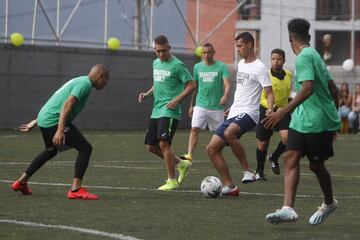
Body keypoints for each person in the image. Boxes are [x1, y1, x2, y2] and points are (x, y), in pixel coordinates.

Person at [264, 18, 340, 225]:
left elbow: (308, 88)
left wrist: (282, 112)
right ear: (308, 36)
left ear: (290, 39)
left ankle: (329, 202)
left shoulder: (303, 57)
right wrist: (336, 115)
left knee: (316, 165)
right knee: (290, 156)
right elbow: (334, 89)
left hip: (318, 121)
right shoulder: (314, 54)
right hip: (303, 119)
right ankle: (288, 208)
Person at [11, 64, 110, 200]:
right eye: (106, 80)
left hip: (45, 119)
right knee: (85, 148)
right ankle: (75, 190)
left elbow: (56, 100)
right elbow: (67, 104)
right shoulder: (85, 84)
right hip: (54, 121)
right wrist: (59, 130)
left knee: (50, 150)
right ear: (100, 76)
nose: (106, 84)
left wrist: (37, 120)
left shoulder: (79, 80)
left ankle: (21, 182)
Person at [206, 32, 274, 196]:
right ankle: (230, 186)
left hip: (250, 113)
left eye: (240, 46)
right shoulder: (241, 64)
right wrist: (233, 107)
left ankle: (248, 171)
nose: (237, 50)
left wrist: (271, 109)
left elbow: (270, 93)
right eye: (236, 46)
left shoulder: (260, 68)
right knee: (211, 149)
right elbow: (242, 90)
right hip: (236, 112)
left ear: (250, 44)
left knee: (230, 133)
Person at [138, 35, 196, 191]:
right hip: (156, 110)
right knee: (150, 146)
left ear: (169, 48)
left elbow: (191, 85)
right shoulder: (155, 63)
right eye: (158, 51)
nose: (161, 54)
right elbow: (158, 84)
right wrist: (147, 94)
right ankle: (181, 163)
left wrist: (177, 100)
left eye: (164, 51)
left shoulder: (177, 65)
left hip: (170, 110)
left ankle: (172, 180)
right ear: (154, 50)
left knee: (164, 143)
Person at [180, 42, 231, 162]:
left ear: (213, 53)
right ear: (201, 54)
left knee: (220, 134)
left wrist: (225, 95)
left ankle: (218, 154)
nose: (206, 55)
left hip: (217, 107)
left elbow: (227, 83)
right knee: (194, 129)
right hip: (200, 105)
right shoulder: (197, 67)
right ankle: (189, 155)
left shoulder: (222, 66)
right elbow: (194, 87)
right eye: (204, 53)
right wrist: (191, 105)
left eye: (209, 52)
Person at [255, 49, 292, 181]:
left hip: (282, 112)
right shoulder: (266, 75)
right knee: (263, 143)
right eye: (273, 59)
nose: (276, 62)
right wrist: (272, 107)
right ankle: (259, 171)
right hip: (267, 110)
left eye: (279, 59)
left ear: (284, 61)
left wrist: (288, 106)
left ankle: (274, 157)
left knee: (287, 139)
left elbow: (288, 94)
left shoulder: (289, 74)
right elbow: (262, 97)